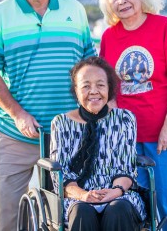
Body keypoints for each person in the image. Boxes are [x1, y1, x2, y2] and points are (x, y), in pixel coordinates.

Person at [0, 0, 97, 231]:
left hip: (68, 136)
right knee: (8, 219)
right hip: (13, 134)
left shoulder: (74, 11)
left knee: (67, 216)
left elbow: (90, 64)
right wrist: (17, 113)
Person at [97, 0, 167, 231]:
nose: (121, 1)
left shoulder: (163, 27)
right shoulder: (109, 36)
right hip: (129, 138)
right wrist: (117, 128)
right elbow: (109, 88)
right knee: (136, 204)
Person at [49, 56, 146, 230]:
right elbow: (60, 175)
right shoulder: (61, 123)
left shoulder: (124, 119)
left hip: (120, 193)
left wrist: (115, 192)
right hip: (76, 197)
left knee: (118, 209)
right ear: (76, 90)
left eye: (100, 85)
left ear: (109, 88)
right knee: (81, 211)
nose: (93, 91)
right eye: (86, 86)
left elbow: (126, 168)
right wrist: (83, 195)